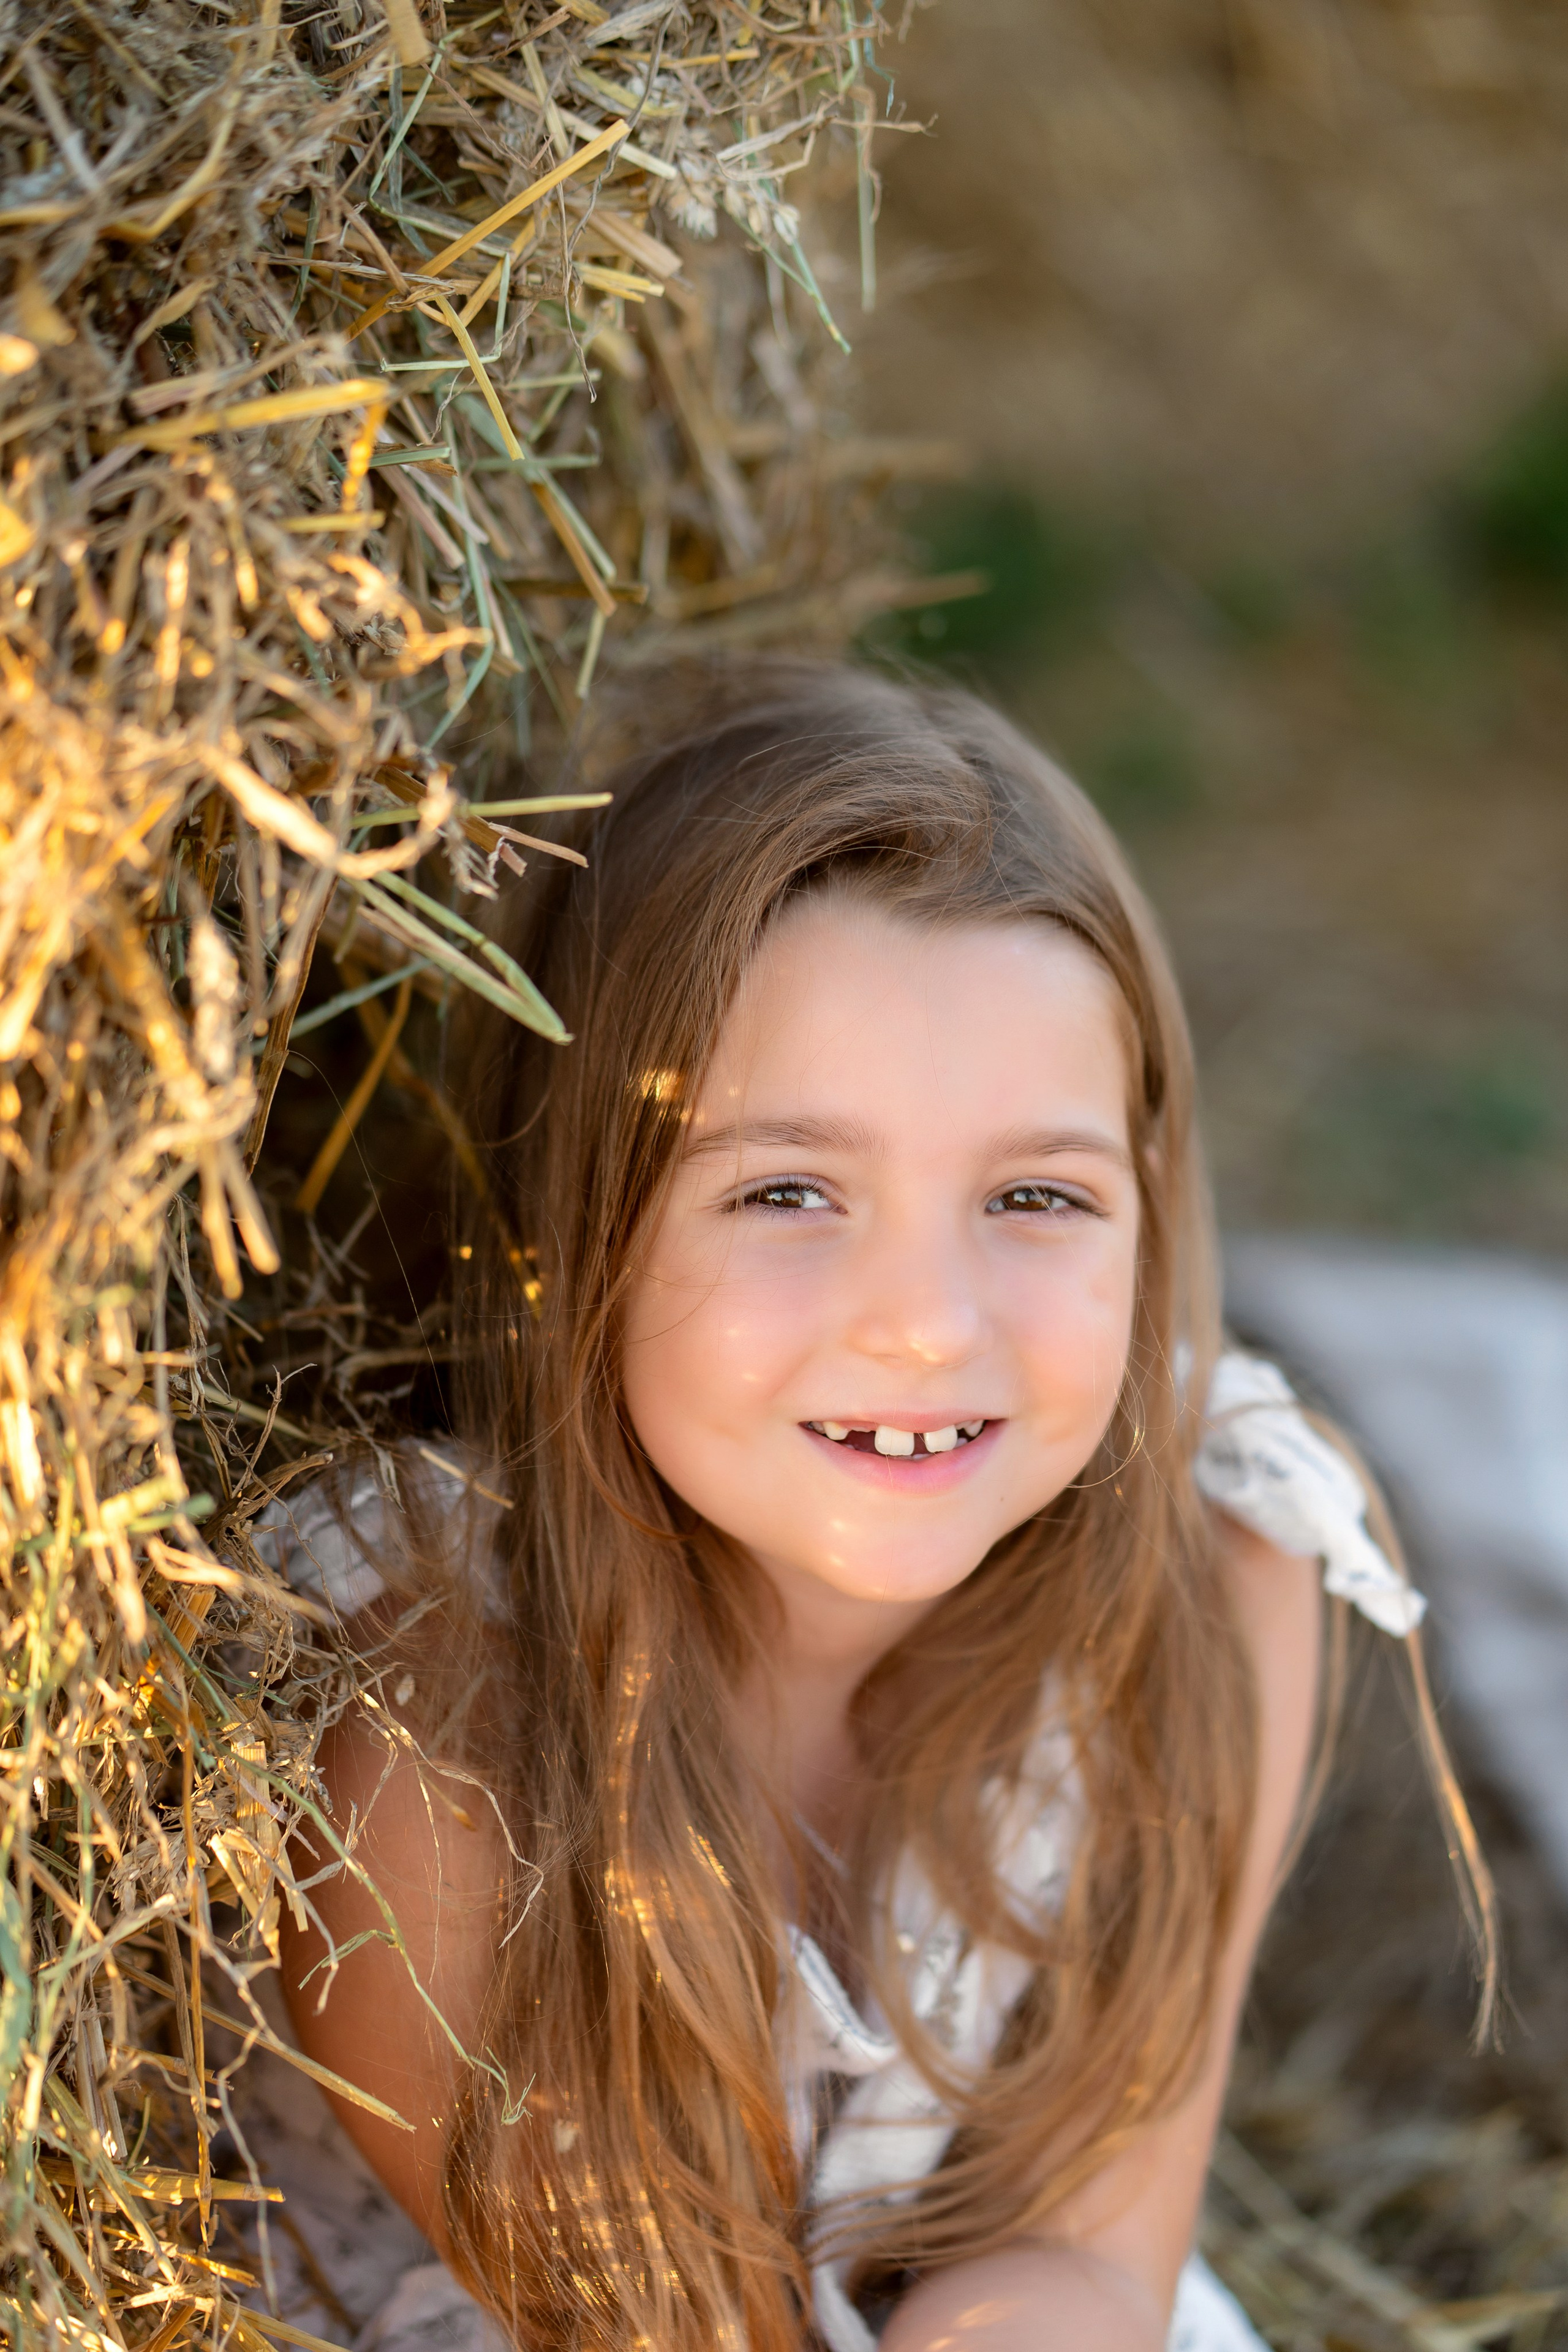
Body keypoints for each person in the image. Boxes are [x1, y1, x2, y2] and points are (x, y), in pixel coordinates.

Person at [261, 660, 1488, 2352]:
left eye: (1036, 1195)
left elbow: (1093, 2251)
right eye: (787, 1189)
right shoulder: (433, 1724)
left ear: (1151, 1208)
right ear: (575, 1232)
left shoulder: (1220, 1566)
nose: (927, 1319)